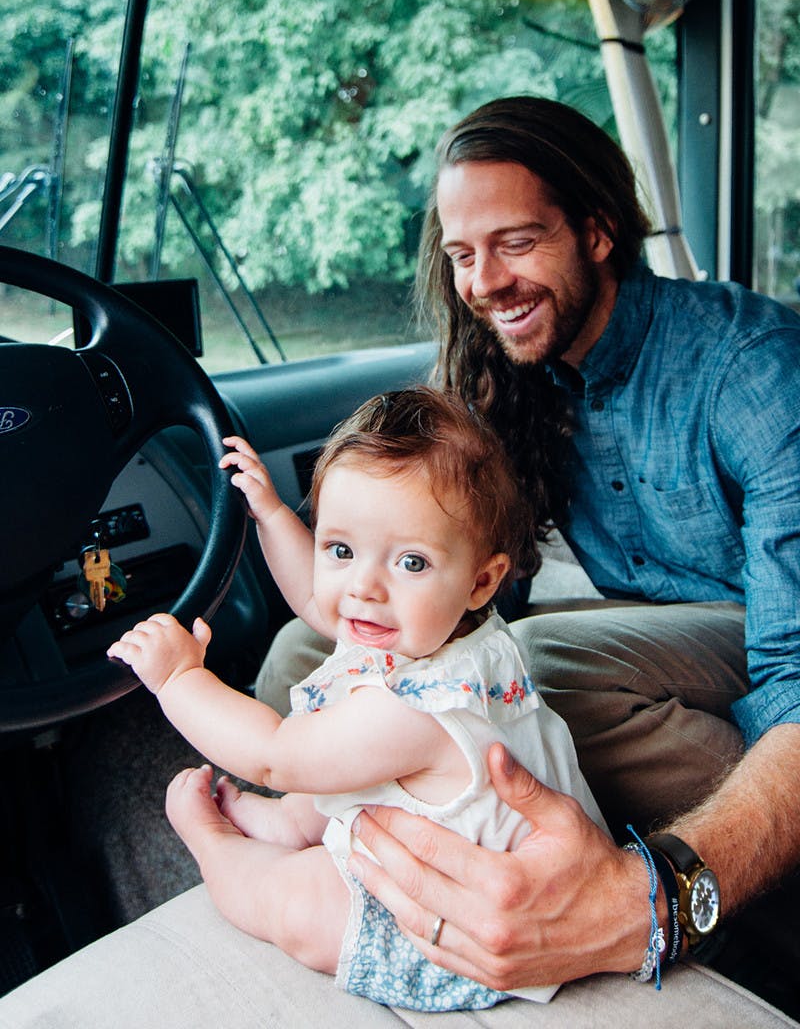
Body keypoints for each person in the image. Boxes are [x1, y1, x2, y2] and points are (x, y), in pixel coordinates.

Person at [254, 96, 800, 1001]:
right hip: (645, 630)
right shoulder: (505, 369)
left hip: (759, 632)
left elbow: (792, 663)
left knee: (542, 660)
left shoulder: (752, 368)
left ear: (594, 231)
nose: (484, 282)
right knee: (306, 648)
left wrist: (668, 892)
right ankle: (341, 849)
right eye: (463, 255)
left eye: (515, 242)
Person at [106, 385, 607, 1012]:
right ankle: (290, 822)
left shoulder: (418, 710)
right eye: (340, 549)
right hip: (458, 836)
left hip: (463, 926)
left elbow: (273, 756)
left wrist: (180, 678)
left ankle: (219, 848)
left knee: (302, 902)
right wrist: (273, 516)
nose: (364, 587)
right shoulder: (455, 630)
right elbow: (323, 604)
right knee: (329, 767)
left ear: (483, 580)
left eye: (411, 563)